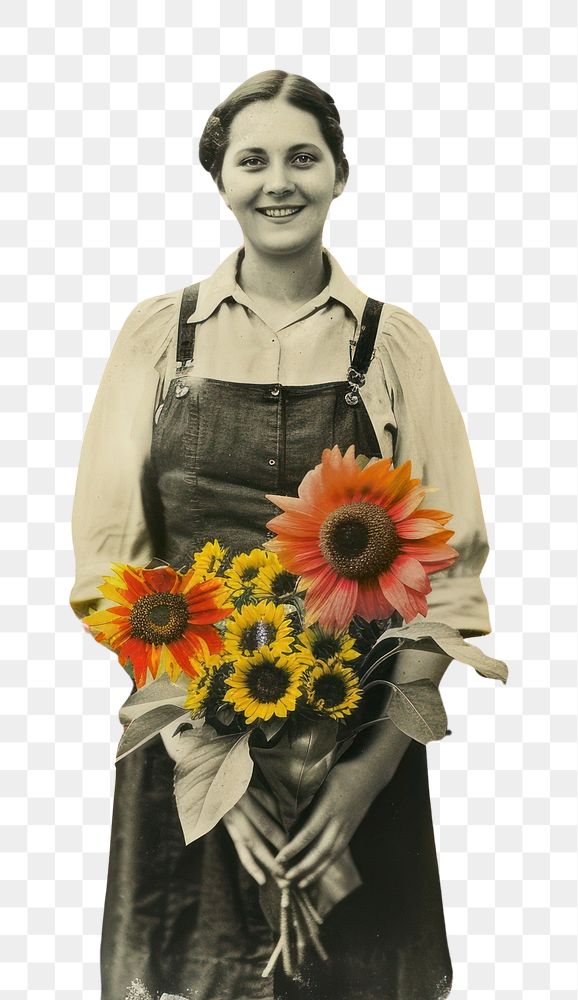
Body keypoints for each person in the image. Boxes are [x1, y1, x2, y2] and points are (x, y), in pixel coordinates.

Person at [69, 70, 492, 1000]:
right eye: (251, 160)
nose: (279, 182)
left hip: (353, 743)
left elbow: (448, 579)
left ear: (340, 173)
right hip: (184, 737)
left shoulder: (395, 347)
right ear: (219, 178)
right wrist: (195, 752)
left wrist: (369, 775)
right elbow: (112, 563)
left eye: (304, 158)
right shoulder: (156, 338)